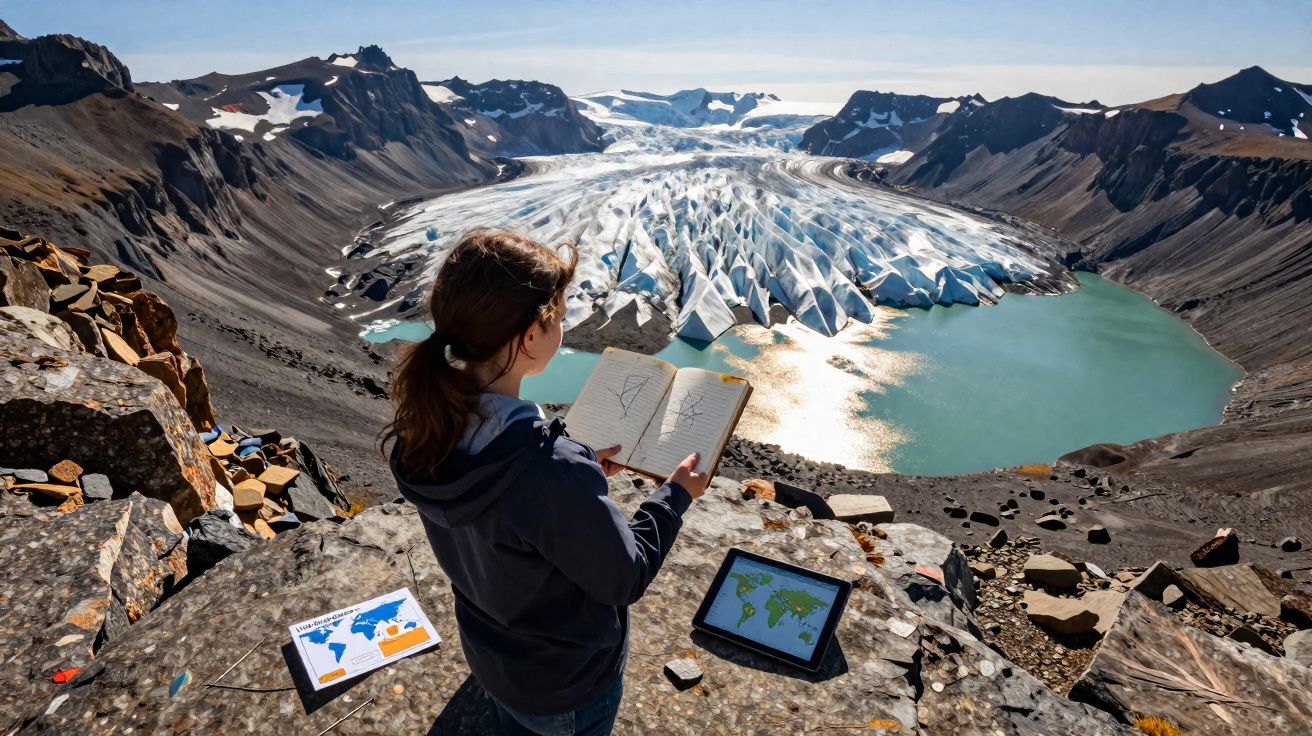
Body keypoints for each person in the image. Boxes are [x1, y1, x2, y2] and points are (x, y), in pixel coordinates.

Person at [384, 229, 709, 735]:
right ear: (530, 336)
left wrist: (570, 474)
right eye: (558, 316)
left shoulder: (423, 429)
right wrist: (675, 495)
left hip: (494, 658)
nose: (563, 327)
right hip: (567, 688)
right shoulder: (549, 471)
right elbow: (624, 577)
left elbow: (508, 509)